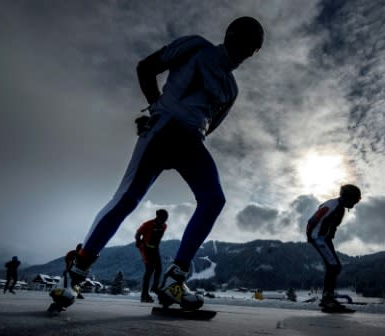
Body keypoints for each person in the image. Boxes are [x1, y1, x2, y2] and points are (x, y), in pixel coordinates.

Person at [67, 16, 265, 310]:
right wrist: (156, 106)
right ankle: (76, 273)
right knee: (127, 199)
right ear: (231, 36)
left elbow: (211, 124)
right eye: (244, 46)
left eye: (251, 51)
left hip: (191, 140)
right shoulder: (196, 46)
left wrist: (188, 140)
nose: (245, 55)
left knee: (213, 200)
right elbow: (146, 67)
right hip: (163, 126)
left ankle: (175, 279)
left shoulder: (231, 88)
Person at [306, 184, 361, 310]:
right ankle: (327, 300)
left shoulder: (339, 207)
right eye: (354, 200)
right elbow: (312, 220)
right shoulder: (332, 205)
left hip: (324, 238)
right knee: (334, 266)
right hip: (319, 238)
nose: (355, 203)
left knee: (334, 267)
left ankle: (328, 298)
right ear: (346, 197)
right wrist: (311, 236)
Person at [135, 209, 168, 302]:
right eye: (163, 218)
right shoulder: (148, 224)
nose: (164, 220)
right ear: (158, 216)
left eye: (165, 219)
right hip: (145, 248)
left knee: (159, 269)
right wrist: (138, 241)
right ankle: (144, 295)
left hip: (155, 249)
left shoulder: (164, 226)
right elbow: (138, 233)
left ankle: (154, 287)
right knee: (149, 270)